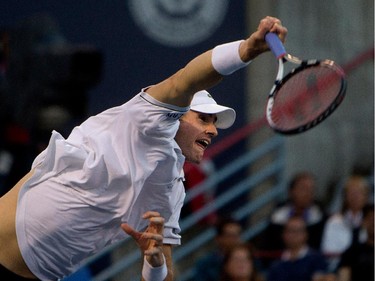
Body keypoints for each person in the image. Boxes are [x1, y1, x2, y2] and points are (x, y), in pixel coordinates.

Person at [0, 16, 288, 281]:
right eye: (203, 118)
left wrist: (155, 264)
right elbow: (185, 80)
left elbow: (164, 272)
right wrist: (246, 49)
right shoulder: (146, 121)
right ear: (176, 114)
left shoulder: (170, 189)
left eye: (215, 122)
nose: (213, 129)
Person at [257, 172, 327, 267]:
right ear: (291, 191)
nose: (308, 193)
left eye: (311, 189)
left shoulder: (321, 217)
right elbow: (267, 248)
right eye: (303, 189)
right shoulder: (277, 217)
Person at [320, 175, 370, 272]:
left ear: (366, 197)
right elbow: (328, 251)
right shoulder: (334, 222)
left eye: (359, 193)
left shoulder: (371, 222)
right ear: (345, 197)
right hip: (338, 268)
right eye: (351, 193)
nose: (355, 197)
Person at [267, 216, 329, 281]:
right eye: (289, 231)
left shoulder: (317, 259)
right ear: (283, 235)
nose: (292, 235)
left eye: (296, 231)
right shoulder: (276, 265)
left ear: (306, 234)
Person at [193, 217, 243, 281]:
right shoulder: (205, 265)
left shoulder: (250, 260)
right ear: (218, 238)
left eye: (237, 235)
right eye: (230, 236)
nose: (235, 240)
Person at [336, 203, 374, 281]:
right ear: (364, 222)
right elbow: (343, 277)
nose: (374, 223)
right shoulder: (352, 252)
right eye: (371, 219)